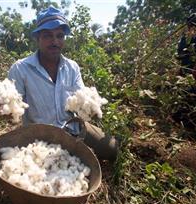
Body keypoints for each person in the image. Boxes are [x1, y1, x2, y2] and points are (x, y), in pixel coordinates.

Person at [8, 6, 119, 161]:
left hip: (72, 131)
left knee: (112, 148)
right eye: (48, 36)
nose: (55, 42)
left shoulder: (72, 67)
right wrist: (5, 111)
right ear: (37, 39)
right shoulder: (21, 69)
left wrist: (90, 109)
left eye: (59, 36)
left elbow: (82, 100)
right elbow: (13, 107)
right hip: (39, 137)